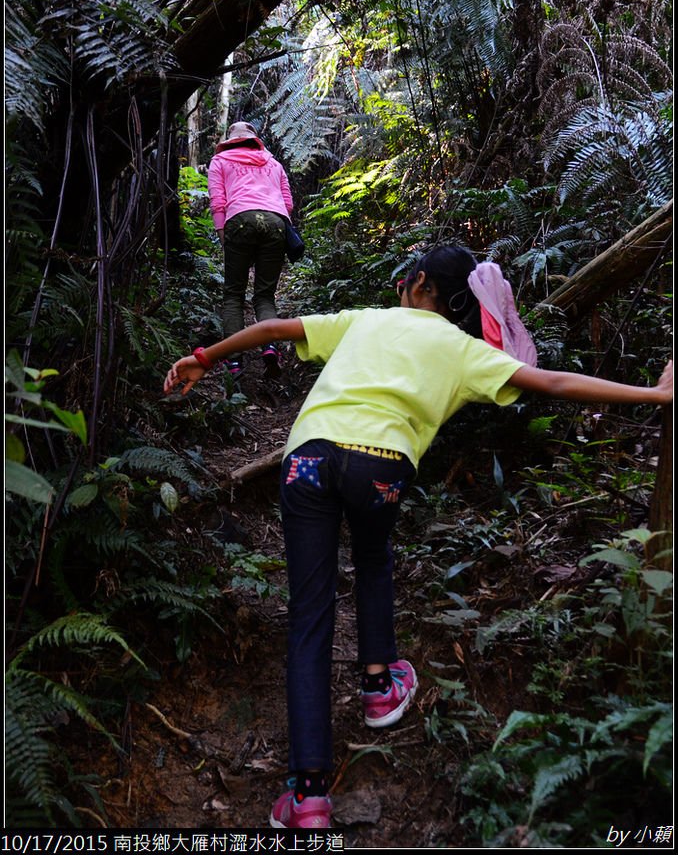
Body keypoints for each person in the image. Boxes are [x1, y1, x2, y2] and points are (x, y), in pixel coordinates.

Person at [163, 244, 673, 829]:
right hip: (381, 469)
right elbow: (553, 383)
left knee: (310, 615)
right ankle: (380, 687)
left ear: (417, 281)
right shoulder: (463, 350)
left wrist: (204, 356)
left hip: (307, 460)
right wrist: (655, 396)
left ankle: (307, 797)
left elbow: (275, 327)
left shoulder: (368, 320)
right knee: (374, 556)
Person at [207, 120, 294, 377]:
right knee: (265, 295)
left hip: (239, 221)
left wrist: (223, 233)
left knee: (234, 294)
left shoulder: (220, 161)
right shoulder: (273, 162)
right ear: (254, 139)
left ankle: (233, 362)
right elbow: (287, 202)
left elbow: (218, 200)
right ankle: (270, 347)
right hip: (277, 222)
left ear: (231, 140)